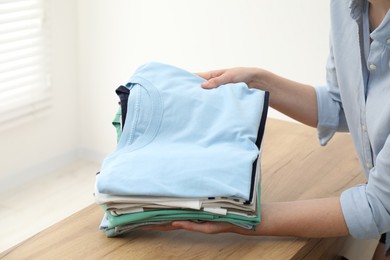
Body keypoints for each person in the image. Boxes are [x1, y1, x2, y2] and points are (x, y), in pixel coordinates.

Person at [146, 0, 390, 258]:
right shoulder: (346, 6)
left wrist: (243, 216)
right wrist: (256, 81)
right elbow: (344, 104)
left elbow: (377, 205)